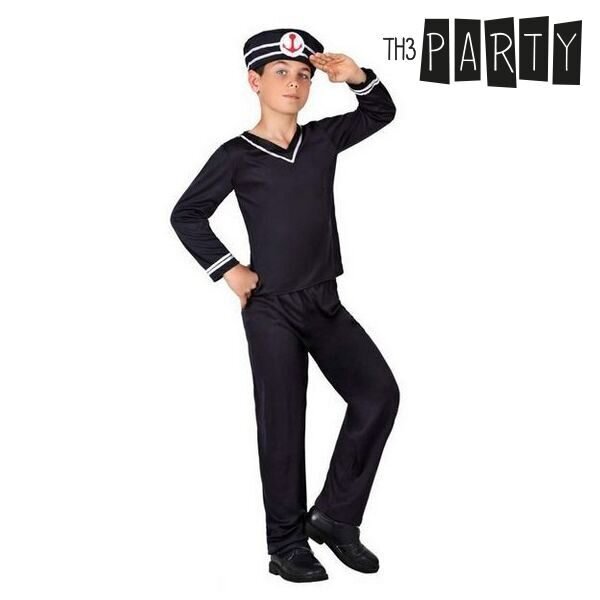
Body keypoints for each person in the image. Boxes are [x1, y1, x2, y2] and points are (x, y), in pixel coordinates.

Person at [170, 28, 400, 583]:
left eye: (303, 76)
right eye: (281, 73)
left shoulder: (321, 140)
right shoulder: (236, 155)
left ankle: (335, 517)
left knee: (377, 395)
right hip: (271, 308)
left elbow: (381, 113)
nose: (294, 83)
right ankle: (286, 544)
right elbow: (187, 214)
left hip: (324, 302)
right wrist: (229, 269)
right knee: (283, 422)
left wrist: (356, 77)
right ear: (255, 81)